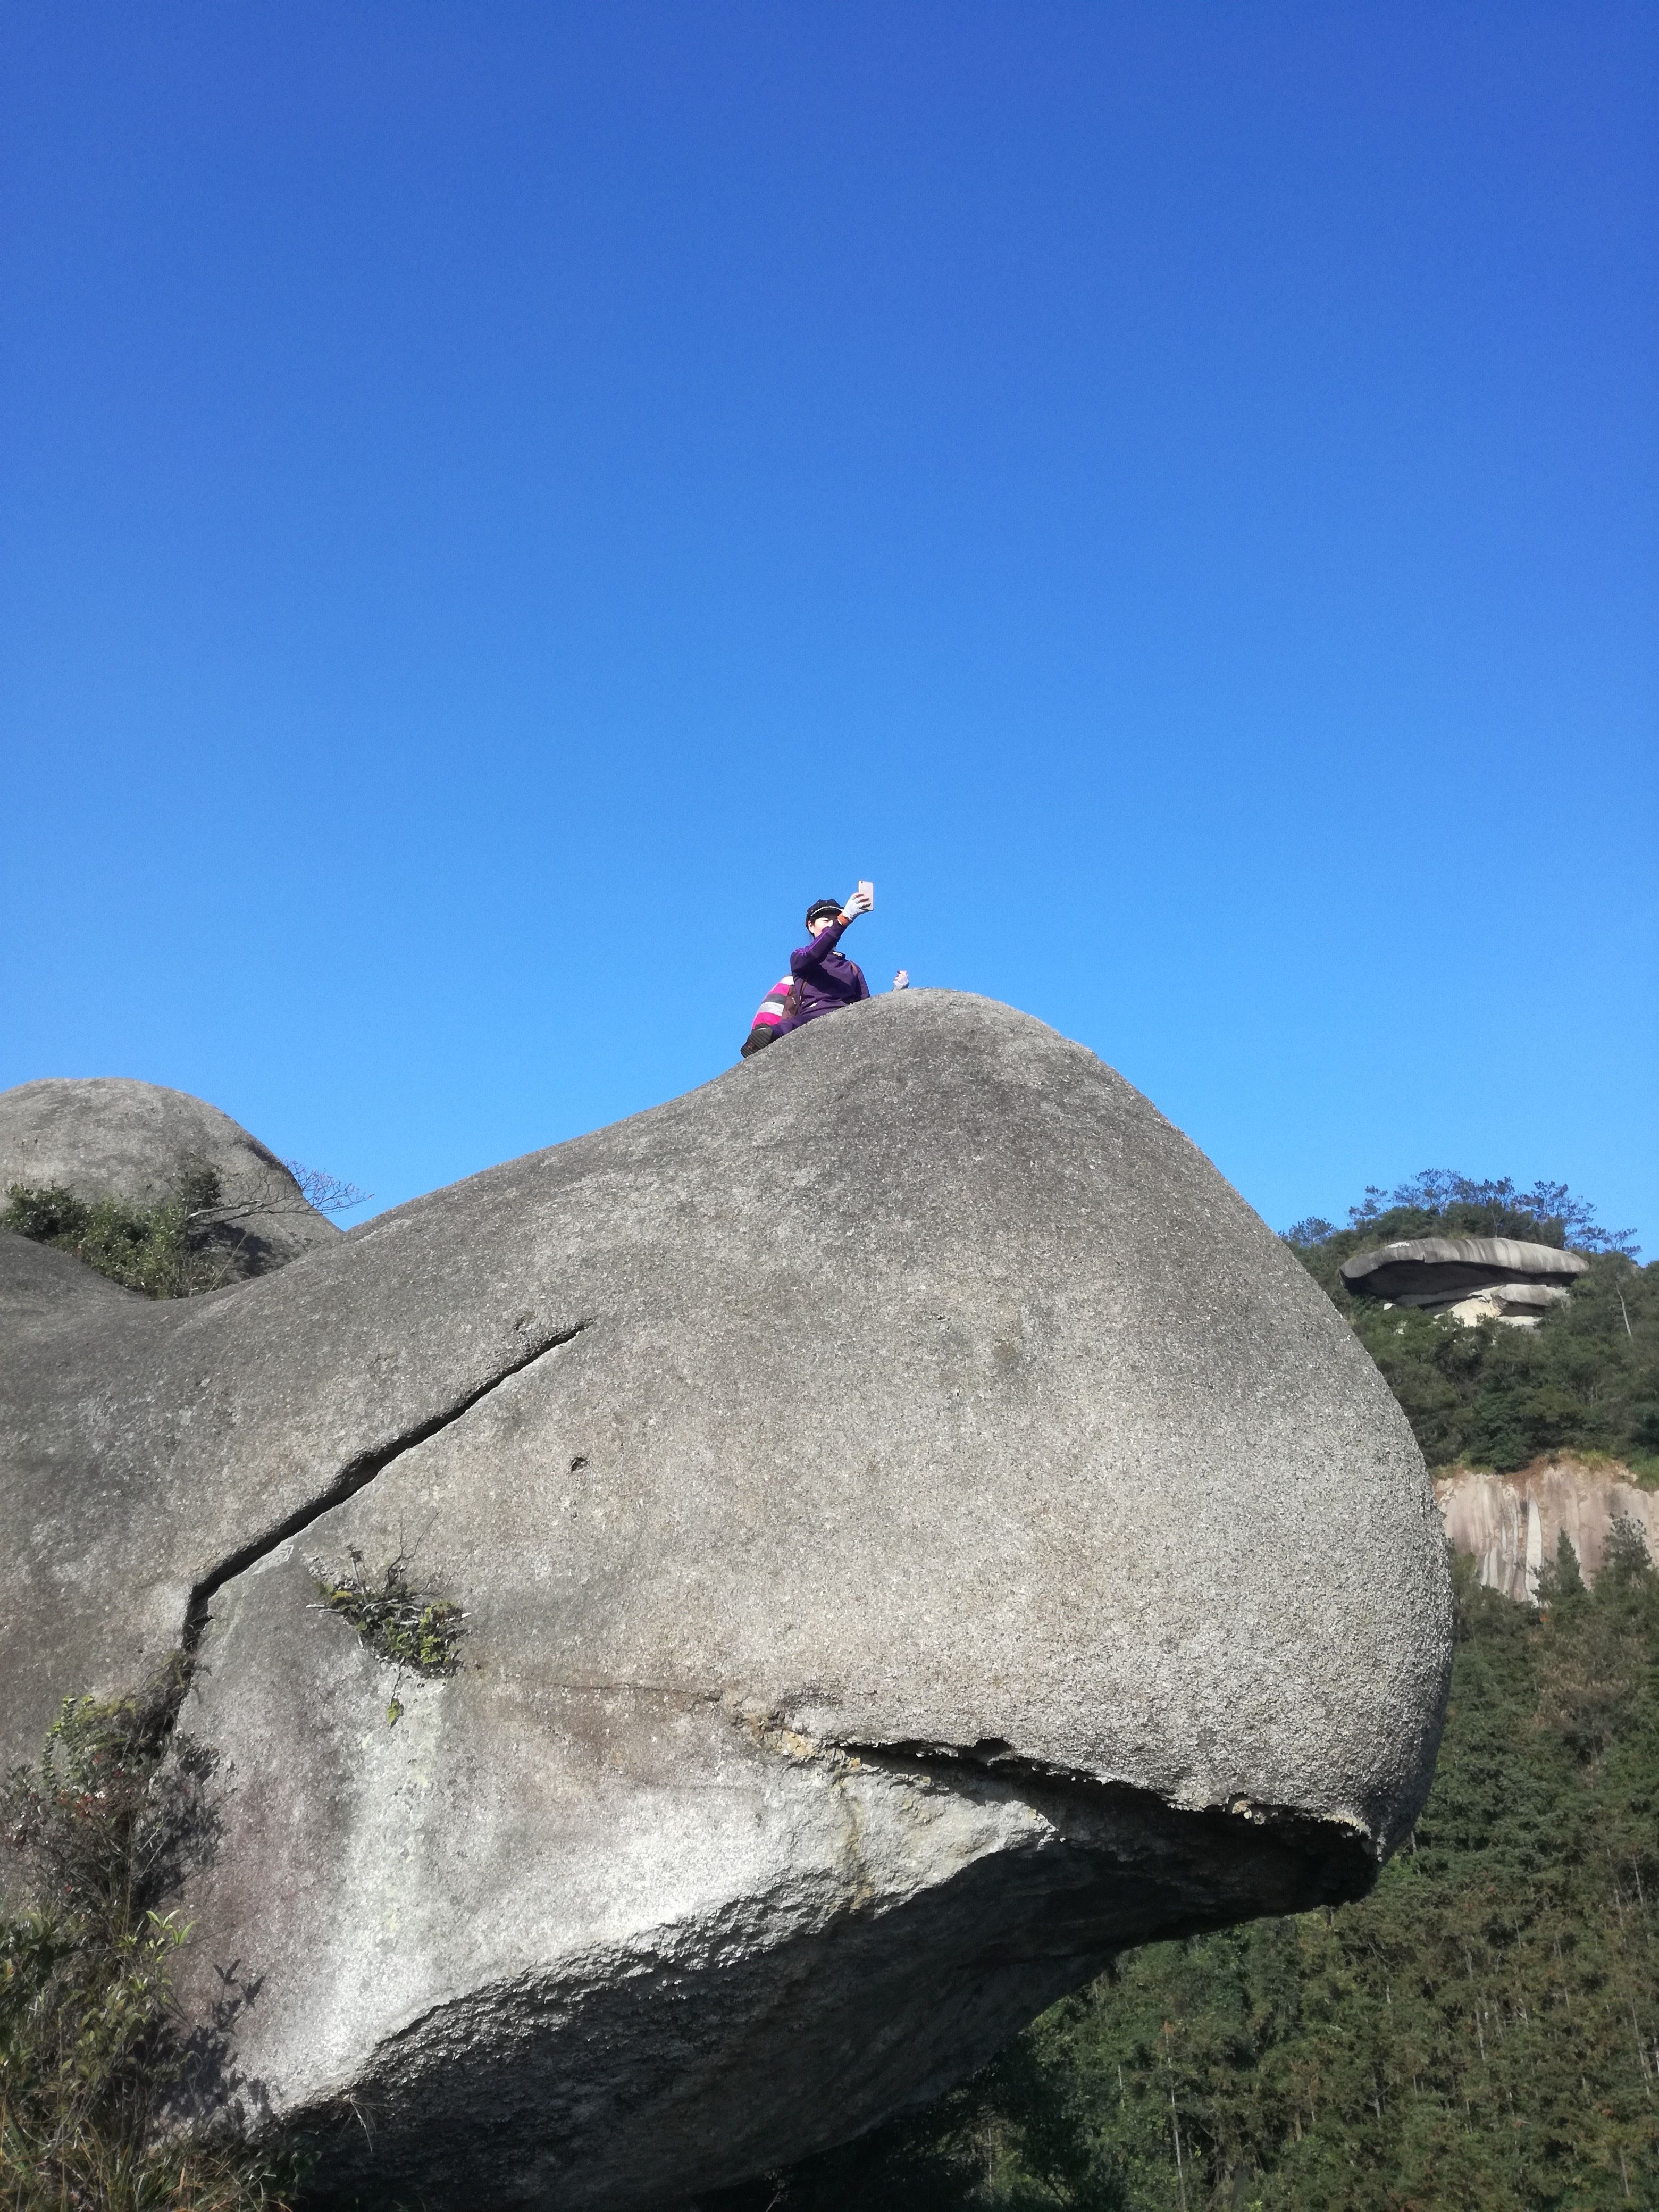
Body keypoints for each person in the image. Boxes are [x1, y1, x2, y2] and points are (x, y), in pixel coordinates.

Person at [777, 888, 873, 1034]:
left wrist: (896, 993)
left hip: (848, 1019)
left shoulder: (852, 968)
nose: (831, 925)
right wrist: (843, 920)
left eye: (835, 920)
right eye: (826, 920)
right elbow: (814, 953)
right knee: (782, 1030)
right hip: (811, 1018)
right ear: (811, 925)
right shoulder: (800, 956)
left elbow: (867, 1005)